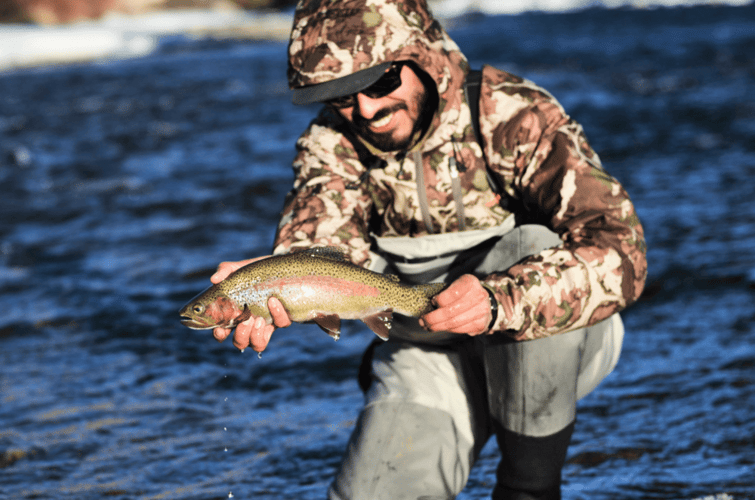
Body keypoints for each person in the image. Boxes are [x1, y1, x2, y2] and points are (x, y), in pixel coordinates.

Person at [211, 0, 648, 498]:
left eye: (379, 83)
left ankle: (530, 485)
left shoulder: (513, 114)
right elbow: (323, 238)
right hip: (427, 349)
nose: (366, 111)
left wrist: (499, 299)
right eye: (341, 96)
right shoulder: (330, 143)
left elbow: (622, 250)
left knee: (532, 243)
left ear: (421, 56)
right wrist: (282, 277)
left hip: (552, 341)